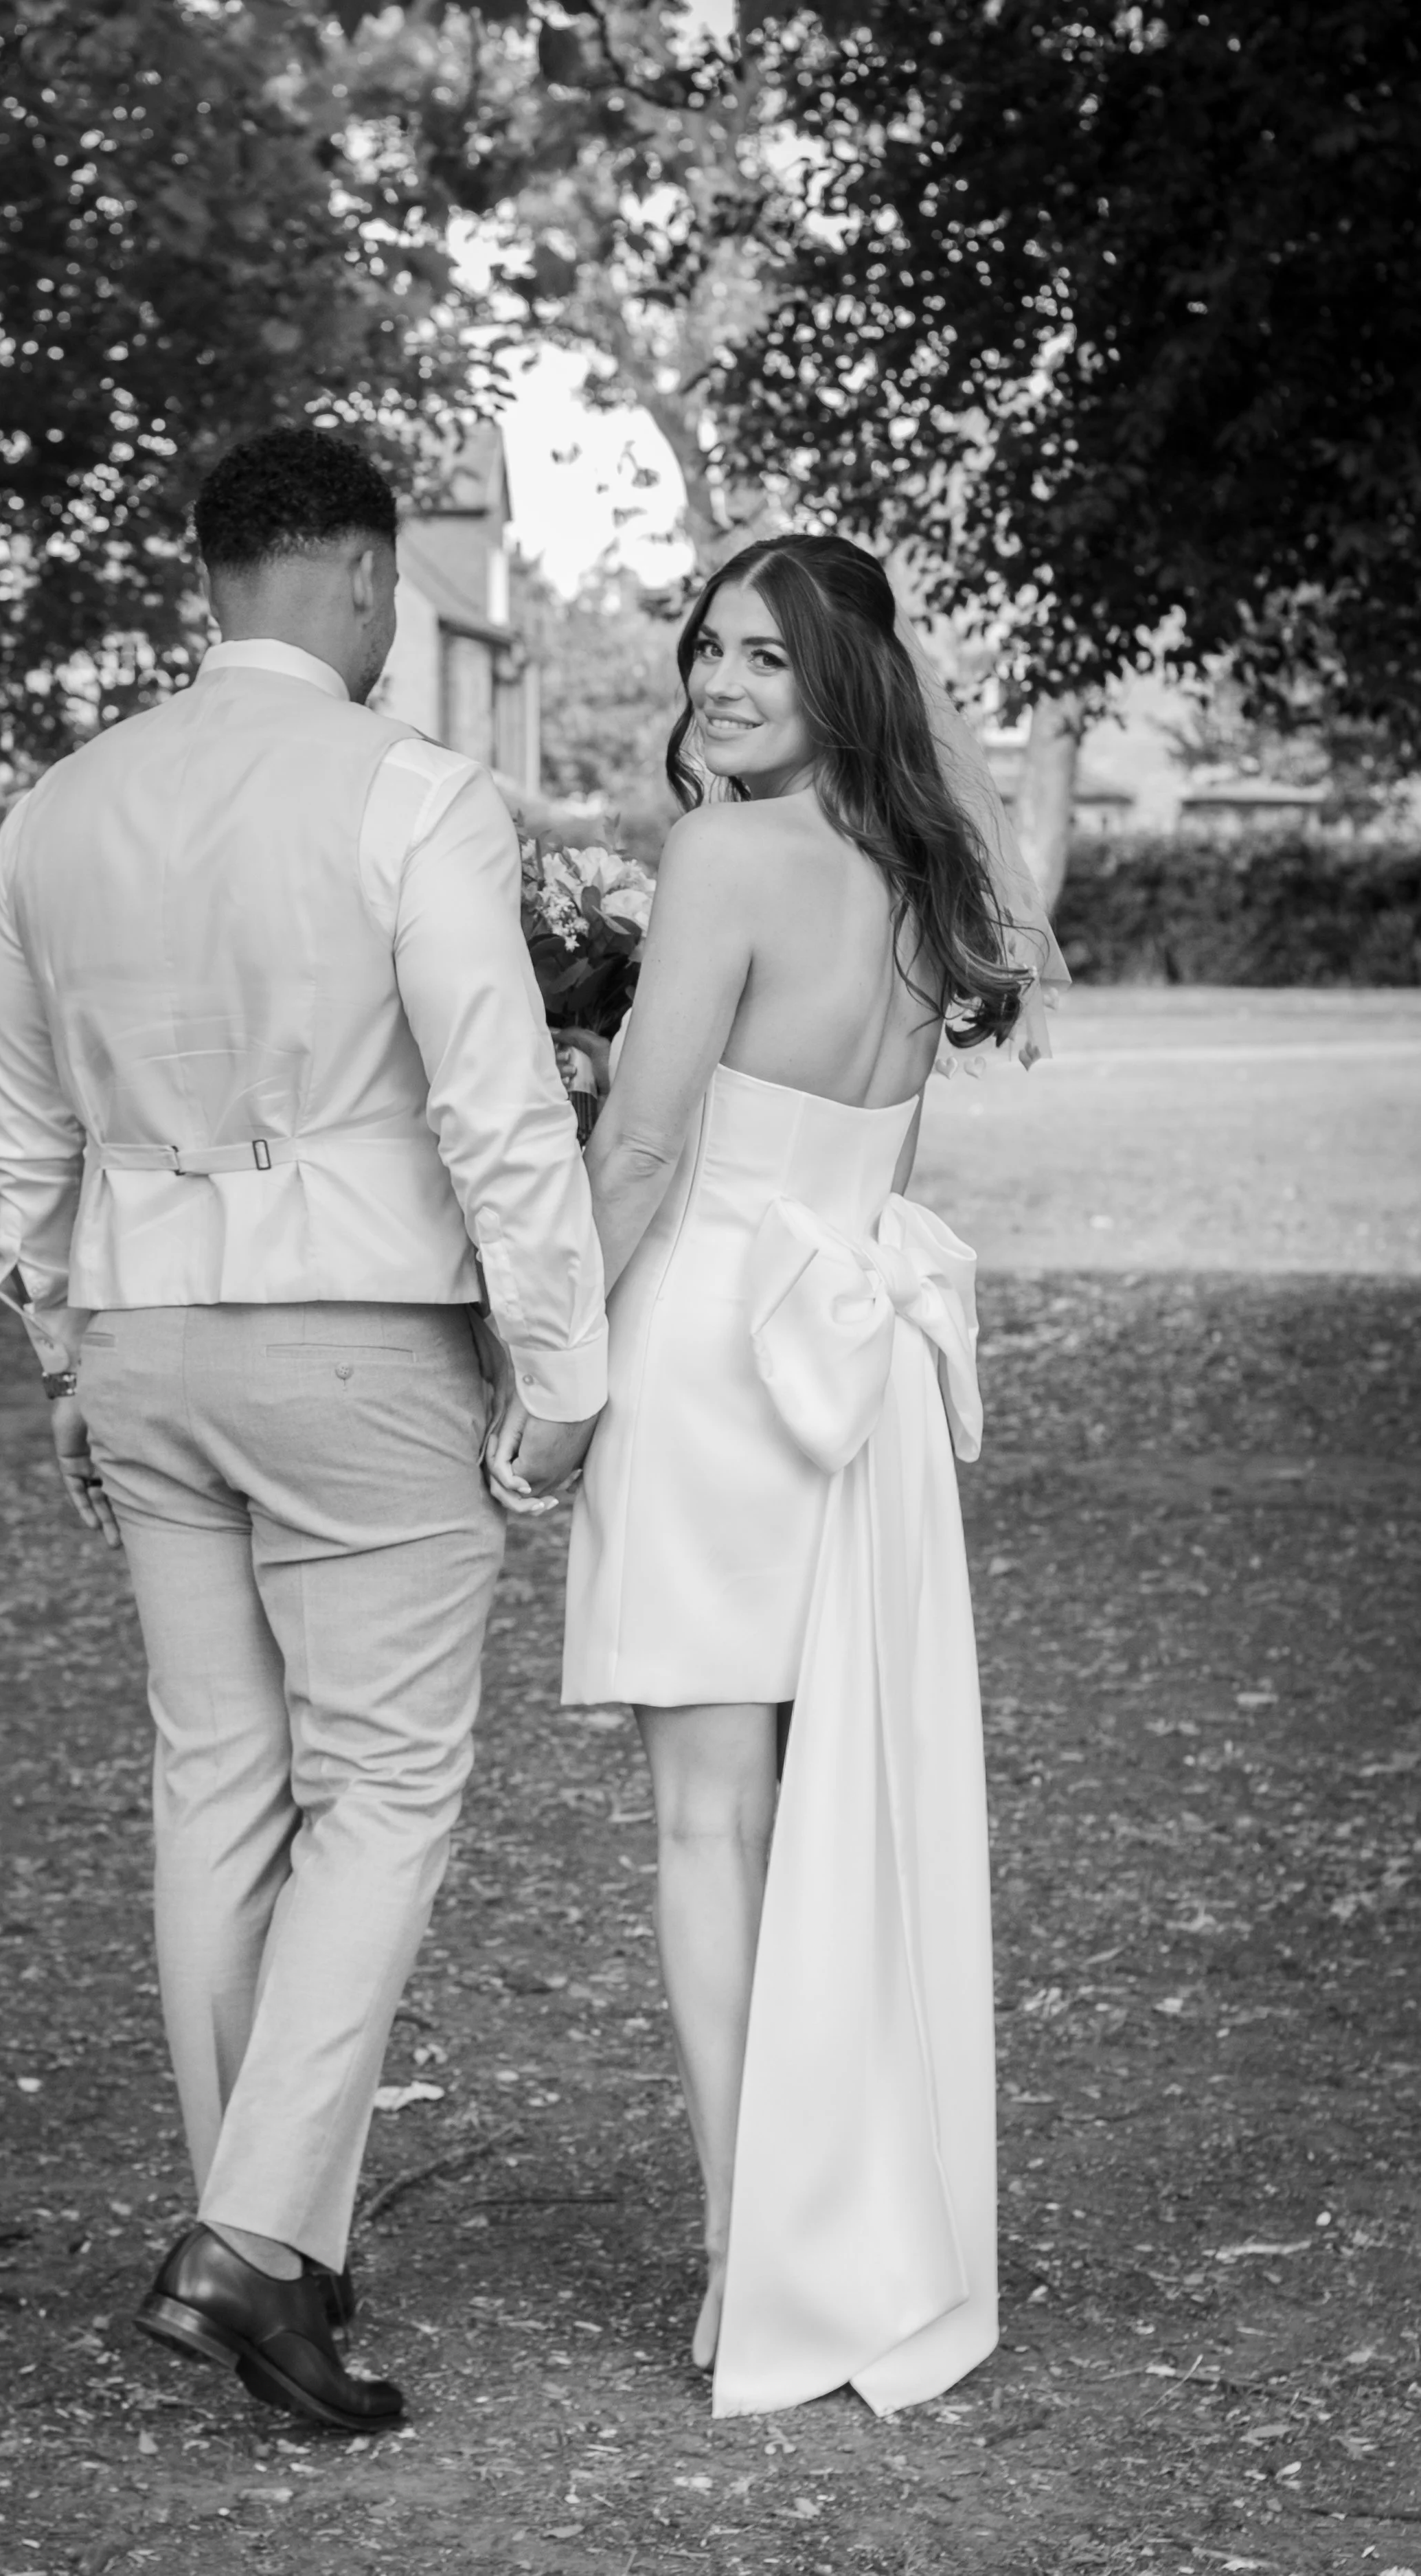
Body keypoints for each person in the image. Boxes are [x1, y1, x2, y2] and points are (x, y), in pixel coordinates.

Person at [0, 425, 605, 2432]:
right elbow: (497, 1108)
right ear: (351, 576)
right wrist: (561, 1371)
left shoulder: (57, 812)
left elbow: (13, 1128)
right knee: (388, 1790)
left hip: (148, 1334)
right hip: (353, 1343)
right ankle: (247, 2245)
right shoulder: (412, 793)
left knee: (216, 1787)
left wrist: (69, 1350)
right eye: (388, 586)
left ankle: (276, 2256)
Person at [490, 533, 1064, 2419]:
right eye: (704, 651)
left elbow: (644, 1148)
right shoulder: (930, 872)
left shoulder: (727, 855)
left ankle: (754, 2249)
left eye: (760, 656)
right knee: (848, 1820)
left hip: (725, 1346)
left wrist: (554, 1381)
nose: (718, 685)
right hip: (861, 1362)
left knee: (708, 1826)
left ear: (840, 679)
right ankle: (854, 2224)